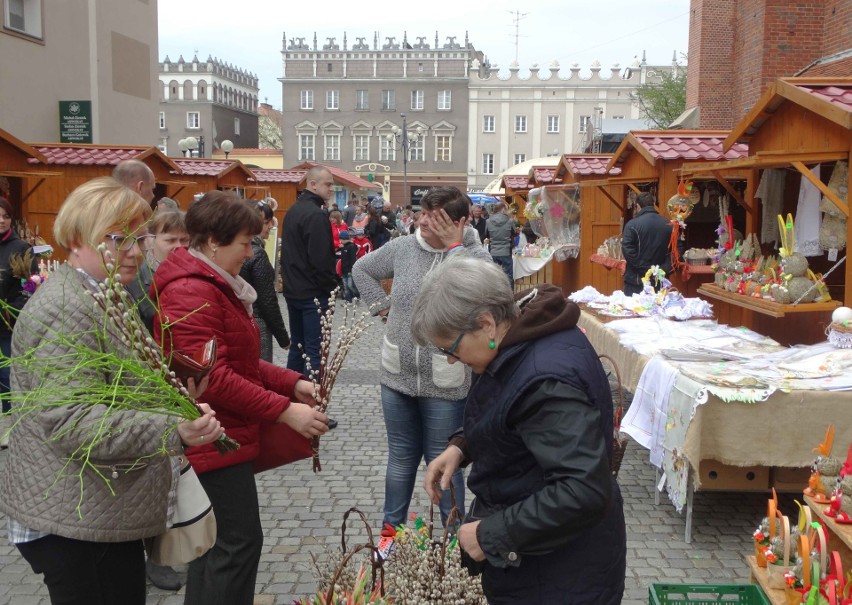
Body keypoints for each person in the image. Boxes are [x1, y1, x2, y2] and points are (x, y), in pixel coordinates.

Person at [0, 177, 221, 605]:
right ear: (79, 238)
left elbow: (113, 389)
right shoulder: (66, 309)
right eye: (118, 239)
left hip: (93, 509)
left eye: (139, 238)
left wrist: (175, 393)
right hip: (72, 517)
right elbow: (73, 422)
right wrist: (171, 428)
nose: (135, 252)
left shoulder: (99, 294)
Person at [413, 255, 626, 604]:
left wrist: (490, 535)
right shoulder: (523, 338)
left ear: (486, 324)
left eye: (451, 348)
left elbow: (583, 490)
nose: (451, 359)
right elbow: (512, 412)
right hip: (543, 559)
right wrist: (461, 447)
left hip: (558, 575)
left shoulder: (545, 378)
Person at [153, 191, 330, 605]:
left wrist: (290, 383)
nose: (251, 252)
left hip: (222, 436)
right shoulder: (191, 290)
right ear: (213, 241)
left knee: (221, 548)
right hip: (212, 437)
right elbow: (212, 377)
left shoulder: (216, 283)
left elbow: (241, 360)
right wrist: (286, 410)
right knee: (234, 546)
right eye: (245, 243)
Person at [352, 186, 491, 536]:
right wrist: (381, 307)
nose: (425, 221)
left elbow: (486, 289)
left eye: (437, 216)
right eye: (423, 213)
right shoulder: (404, 247)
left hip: (445, 381)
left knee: (443, 464)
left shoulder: (473, 253)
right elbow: (361, 270)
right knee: (399, 461)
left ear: (459, 222)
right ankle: (388, 540)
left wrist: (455, 246)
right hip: (397, 373)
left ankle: (454, 543)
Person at [280, 166, 338, 375]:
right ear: (313, 184)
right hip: (313, 294)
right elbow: (321, 260)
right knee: (315, 352)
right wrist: (332, 287)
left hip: (294, 290)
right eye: (328, 184)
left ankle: (290, 395)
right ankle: (310, 400)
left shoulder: (294, 210)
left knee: (298, 347)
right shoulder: (315, 215)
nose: (331, 189)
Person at [0, 196, 37, 447]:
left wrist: (8, 312)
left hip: (7, 325)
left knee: (6, 376)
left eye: (5, 216)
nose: (1, 221)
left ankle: (8, 424)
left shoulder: (21, 248)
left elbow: (28, 287)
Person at [240, 200, 291, 362]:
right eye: (266, 222)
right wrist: (283, 337)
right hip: (257, 323)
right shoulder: (257, 254)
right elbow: (267, 299)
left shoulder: (237, 249)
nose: (270, 226)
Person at [126, 209, 190, 335]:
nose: (179, 246)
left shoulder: (197, 276)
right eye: (170, 240)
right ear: (151, 240)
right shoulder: (135, 277)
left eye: (184, 240)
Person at [621, 191, 674, 296]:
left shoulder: (632, 225)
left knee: (633, 311)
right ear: (654, 204)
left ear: (637, 206)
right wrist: (663, 269)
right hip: (659, 280)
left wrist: (646, 268)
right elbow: (676, 251)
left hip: (636, 282)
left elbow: (627, 250)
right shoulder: (669, 225)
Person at [485, 201, 515, 284]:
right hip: (506, 251)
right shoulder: (510, 221)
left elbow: (486, 234)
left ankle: (495, 295)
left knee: (494, 276)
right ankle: (509, 295)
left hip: (493, 251)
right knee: (508, 275)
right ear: (503, 209)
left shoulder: (488, 221)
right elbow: (514, 234)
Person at [337, 230, 359, 302]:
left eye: (340, 239)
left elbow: (353, 259)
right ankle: (348, 300)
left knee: (350, 286)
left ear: (343, 239)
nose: (340, 241)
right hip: (344, 270)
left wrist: (352, 269)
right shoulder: (343, 247)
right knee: (345, 286)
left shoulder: (351, 247)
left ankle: (357, 296)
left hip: (350, 270)